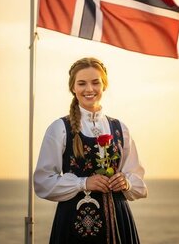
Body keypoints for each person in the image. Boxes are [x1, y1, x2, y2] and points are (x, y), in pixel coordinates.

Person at [34, 57, 147, 244]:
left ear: (104, 85)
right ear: (73, 88)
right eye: (82, 83)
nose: (89, 89)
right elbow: (42, 182)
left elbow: (138, 181)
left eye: (96, 82)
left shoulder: (120, 128)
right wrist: (83, 183)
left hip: (119, 221)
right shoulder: (59, 128)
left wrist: (125, 182)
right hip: (74, 222)